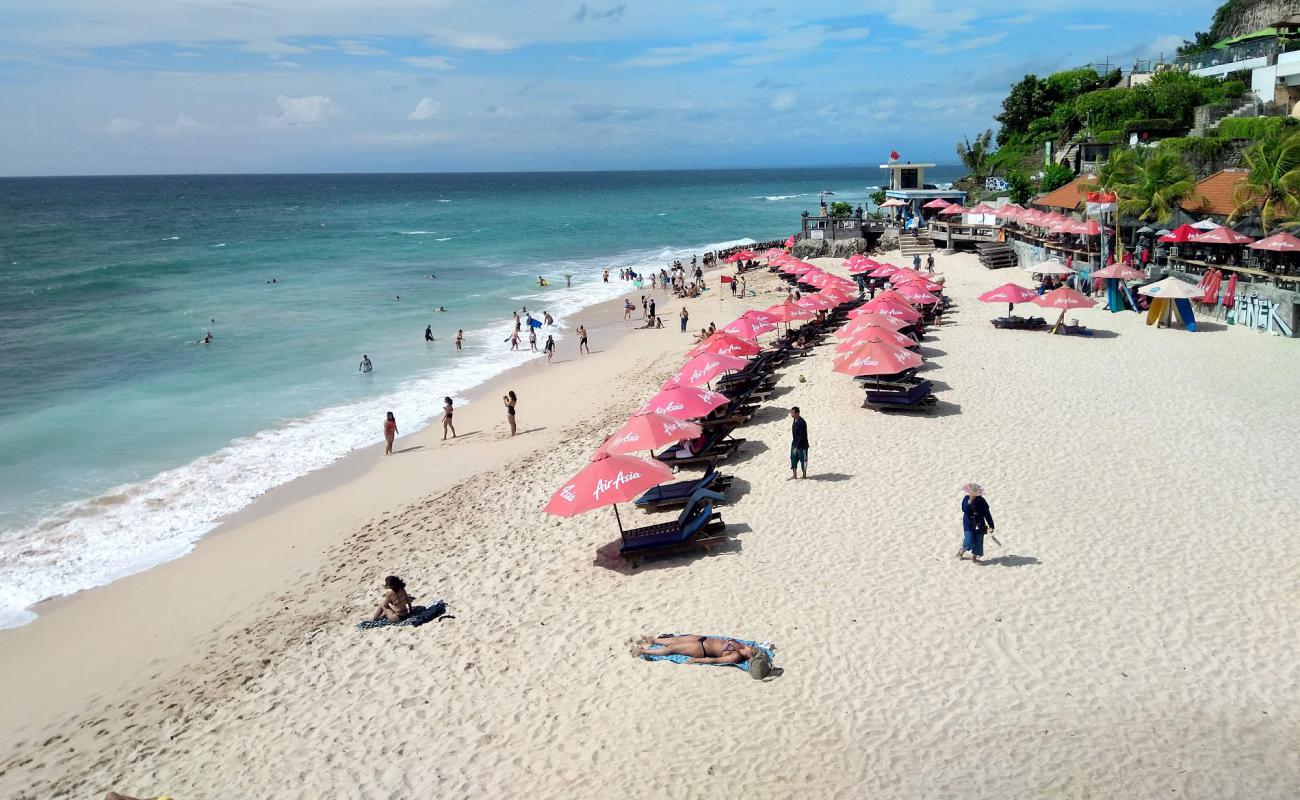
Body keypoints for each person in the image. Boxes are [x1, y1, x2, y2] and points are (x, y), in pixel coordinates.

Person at [636, 635, 770, 675]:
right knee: (674, 639)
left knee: (673, 648)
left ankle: (646, 652)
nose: (751, 646)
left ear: (748, 656)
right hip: (702, 639)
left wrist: (696, 660)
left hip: (700, 648)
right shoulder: (742, 645)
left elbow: (716, 660)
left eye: (751, 649)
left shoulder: (736, 656)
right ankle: (653, 640)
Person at [957, 483, 995, 564]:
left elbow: (987, 514)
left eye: (976, 492)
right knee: (969, 540)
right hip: (969, 523)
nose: (974, 493)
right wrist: (970, 500)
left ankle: (974, 558)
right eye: (972, 492)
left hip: (980, 524)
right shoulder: (966, 498)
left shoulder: (982, 501)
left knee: (979, 541)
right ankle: (960, 552)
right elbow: (965, 510)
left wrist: (991, 526)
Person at [789, 406, 809, 479]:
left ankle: (804, 475)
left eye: (793, 413)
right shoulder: (794, 420)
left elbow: (802, 436)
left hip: (802, 445)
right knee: (793, 458)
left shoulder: (802, 422)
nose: (792, 414)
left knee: (803, 460)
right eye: (791, 412)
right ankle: (794, 475)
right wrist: (794, 446)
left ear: (797, 413)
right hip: (794, 443)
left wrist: (796, 447)